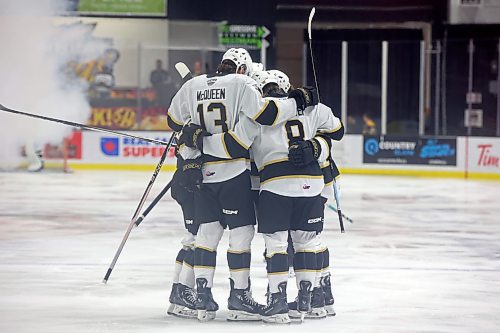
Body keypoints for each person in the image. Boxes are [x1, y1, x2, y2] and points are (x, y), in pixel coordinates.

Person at [167, 48, 318, 322]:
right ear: (242, 70)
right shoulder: (243, 84)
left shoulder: (194, 84)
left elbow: (174, 121)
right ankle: (237, 296)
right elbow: (266, 115)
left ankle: (199, 295)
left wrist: (192, 142)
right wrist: (296, 102)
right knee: (240, 235)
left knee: (203, 234)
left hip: (198, 172)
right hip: (232, 173)